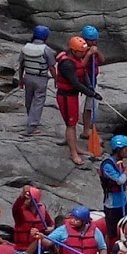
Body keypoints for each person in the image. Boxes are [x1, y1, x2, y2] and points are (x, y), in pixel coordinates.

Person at [53, 36, 100, 167]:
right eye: (81, 52)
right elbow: (74, 83)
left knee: (73, 122)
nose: (84, 54)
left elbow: (83, 73)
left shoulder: (77, 58)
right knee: (71, 124)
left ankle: (76, 148)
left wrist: (89, 85)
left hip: (73, 96)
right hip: (66, 96)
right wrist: (91, 93)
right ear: (73, 51)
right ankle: (73, 153)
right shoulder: (66, 64)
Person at [17, 25, 56, 134]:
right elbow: (52, 67)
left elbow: (21, 65)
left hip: (28, 76)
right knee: (38, 101)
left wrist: (21, 79)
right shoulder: (47, 50)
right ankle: (32, 126)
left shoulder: (25, 48)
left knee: (29, 99)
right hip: (41, 78)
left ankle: (30, 118)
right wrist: (56, 79)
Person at [99, 136, 127, 241]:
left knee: (125, 226)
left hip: (122, 200)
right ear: (118, 150)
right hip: (112, 204)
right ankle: (110, 249)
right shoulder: (107, 165)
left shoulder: (118, 161)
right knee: (112, 231)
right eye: (126, 150)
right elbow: (120, 180)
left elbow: (121, 173)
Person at [79, 24, 105, 141]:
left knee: (89, 107)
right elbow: (80, 66)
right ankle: (79, 130)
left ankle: (86, 130)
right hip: (81, 82)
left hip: (92, 82)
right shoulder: (79, 50)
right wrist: (88, 54)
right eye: (91, 40)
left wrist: (96, 52)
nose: (93, 43)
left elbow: (102, 60)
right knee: (80, 107)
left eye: (95, 40)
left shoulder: (94, 48)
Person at [11, 185, 53, 254]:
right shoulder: (19, 211)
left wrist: (50, 229)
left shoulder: (42, 211)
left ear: (34, 201)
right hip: (23, 249)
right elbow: (15, 208)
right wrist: (22, 193)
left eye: (27, 199)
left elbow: (51, 224)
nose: (24, 201)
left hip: (39, 247)